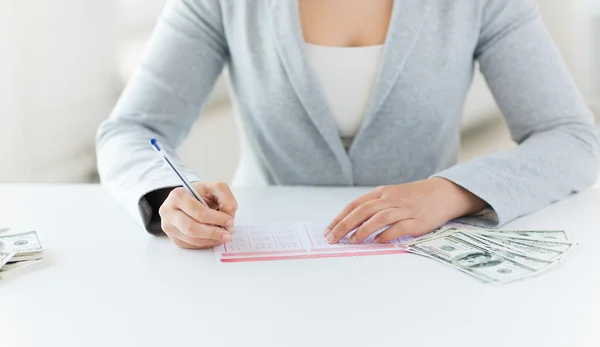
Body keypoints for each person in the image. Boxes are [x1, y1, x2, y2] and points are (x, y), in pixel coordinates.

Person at [96, 0, 599, 249]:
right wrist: (168, 196)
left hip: (420, 262)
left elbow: (571, 137)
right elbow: (132, 130)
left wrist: (451, 192)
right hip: (259, 263)